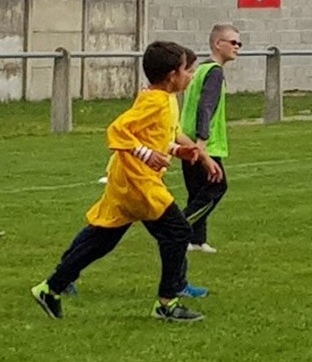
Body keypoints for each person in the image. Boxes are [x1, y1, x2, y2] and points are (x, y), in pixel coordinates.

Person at [32, 41, 220, 321]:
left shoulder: (165, 99)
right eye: (186, 70)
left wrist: (178, 150)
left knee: (102, 238)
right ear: (171, 75)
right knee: (178, 232)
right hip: (138, 181)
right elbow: (117, 130)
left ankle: (51, 287)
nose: (189, 76)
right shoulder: (154, 100)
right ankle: (167, 303)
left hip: (128, 180)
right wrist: (147, 155)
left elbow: (152, 137)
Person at [180, 24, 240, 254]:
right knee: (216, 187)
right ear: (218, 44)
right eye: (233, 42)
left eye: (239, 43)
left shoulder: (200, 70)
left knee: (197, 192)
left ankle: (196, 240)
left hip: (185, 139)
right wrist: (202, 143)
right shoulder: (214, 71)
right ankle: (179, 229)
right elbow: (206, 107)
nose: (237, 48)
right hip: (203, 144)